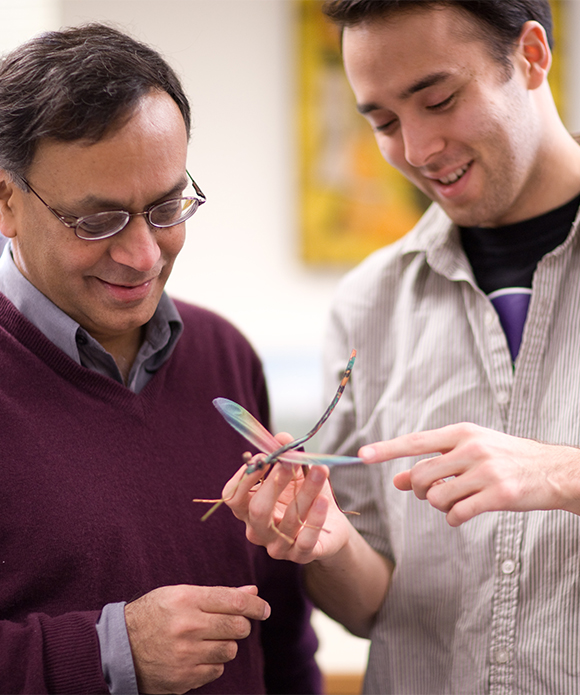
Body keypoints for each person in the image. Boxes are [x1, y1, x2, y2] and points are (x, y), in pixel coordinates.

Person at [223, 1, 580, 693]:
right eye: (383, 121)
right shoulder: (369, 303)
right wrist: (326, 542)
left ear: (532, 56)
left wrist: (561, 476)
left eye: (439, 99)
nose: (416, 151)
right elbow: (372, 605)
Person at [0, 23, 321, 695]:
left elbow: (282, 630)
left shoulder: (225, 354)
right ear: (7, 201)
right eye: (98, 220)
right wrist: (109, 651)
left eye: (167, 206)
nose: (144, 256)